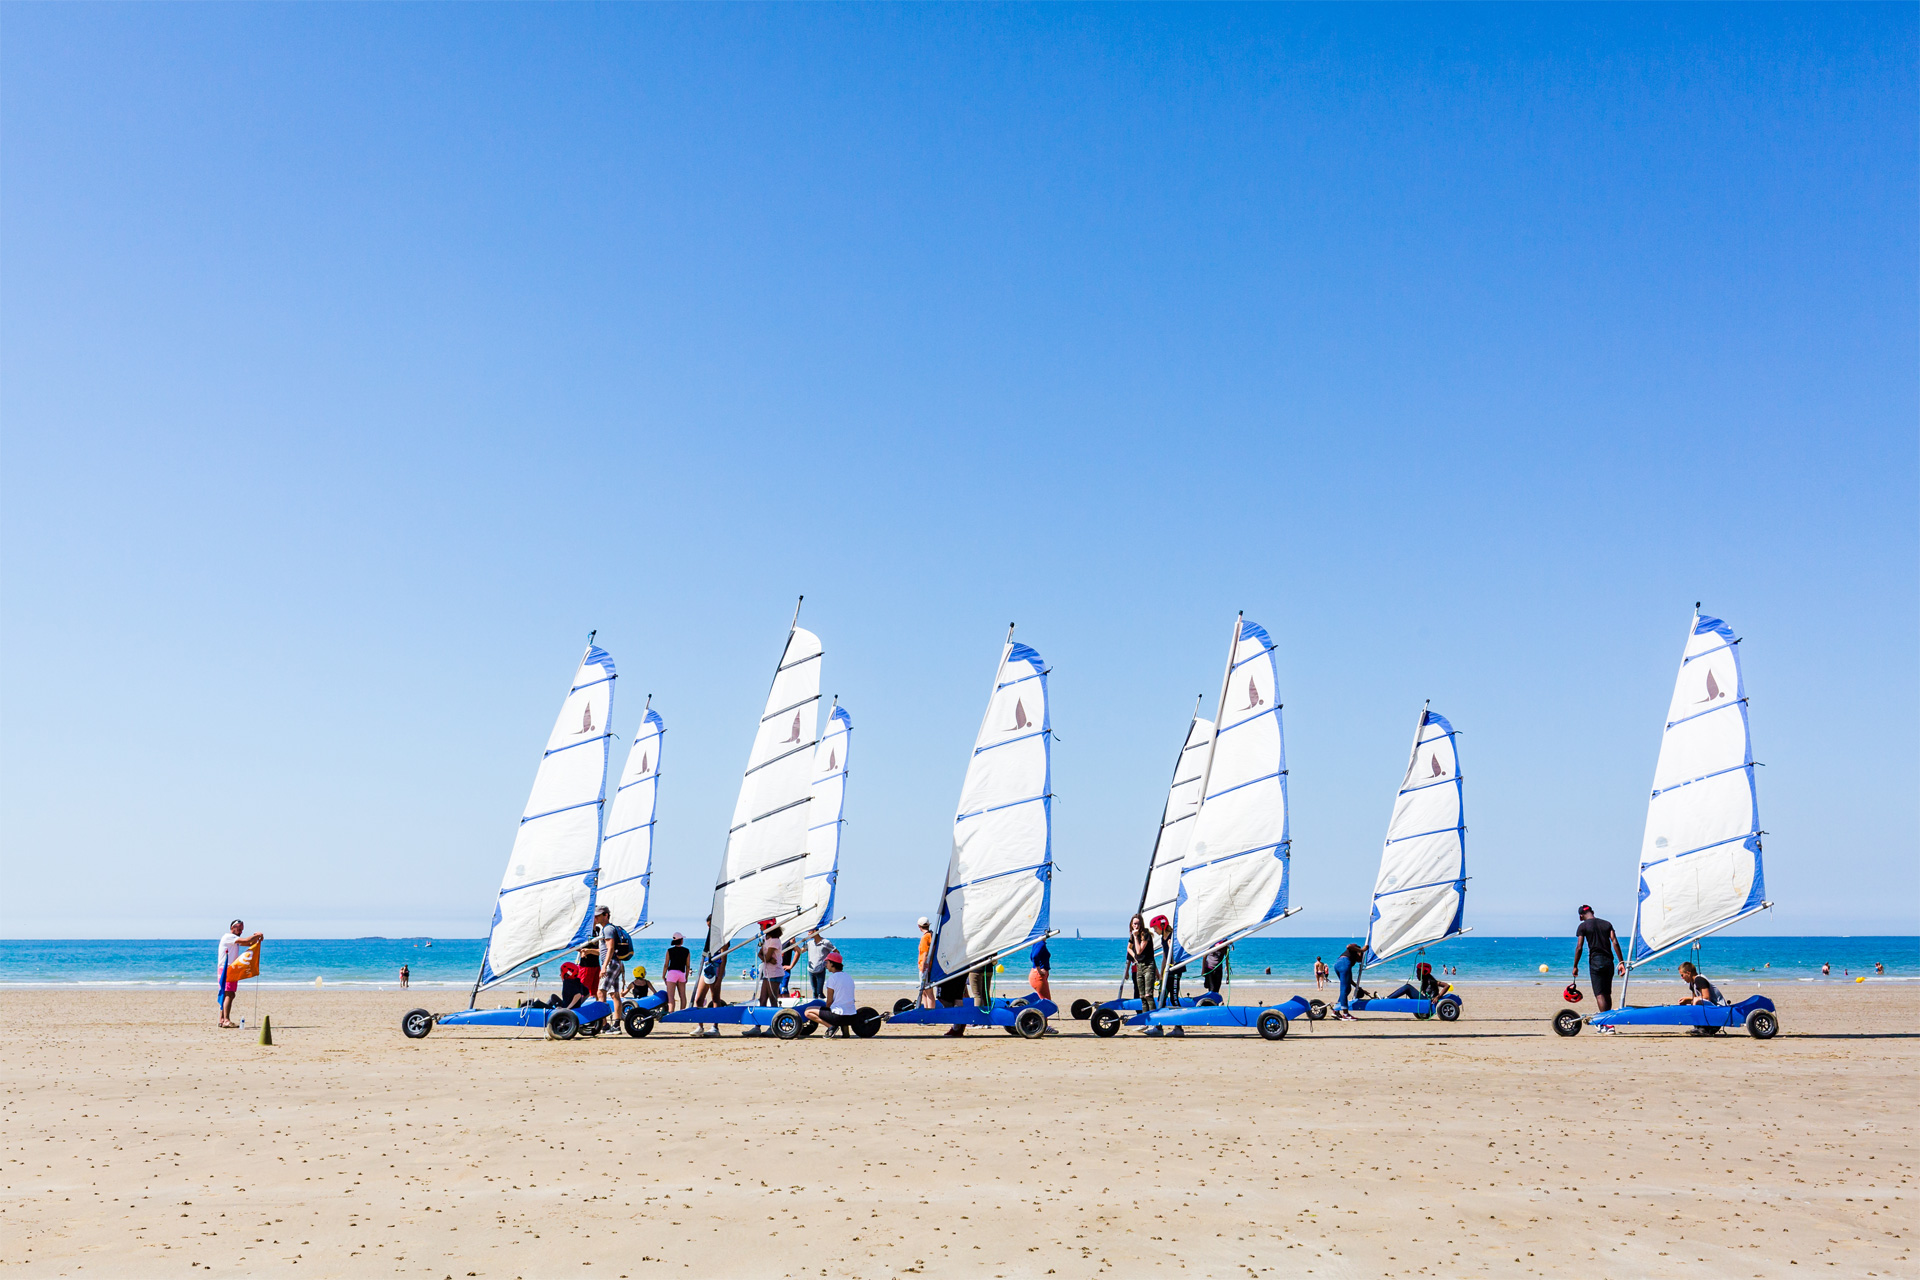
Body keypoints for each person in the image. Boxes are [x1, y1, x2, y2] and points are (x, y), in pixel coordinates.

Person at [1572, 905, 1625, 1022]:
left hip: (1596, 961)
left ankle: (1605, 1024)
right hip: (1609, 961)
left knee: (1600, 994)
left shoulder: (1583, 926)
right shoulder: (1607, 924)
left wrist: (1575, 966)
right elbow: (1614, 942)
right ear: (1593, 912)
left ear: (1581, 916)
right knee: (1607, 993)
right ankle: (1609, 1022)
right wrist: (1621, 962)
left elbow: (1579, 947)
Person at [216, 920, 264, 1028]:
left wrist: (257, 940)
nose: (241, 930)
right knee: (229, 994)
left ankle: (221, 1019)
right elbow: (247, 940)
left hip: (229, 969)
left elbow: (248, 943)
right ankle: (226, 1020)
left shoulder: (234, 940)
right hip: (227, 969)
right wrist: (257, 935)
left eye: (242, 929)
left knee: (226, 994)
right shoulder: (229, 937)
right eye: (239, 928)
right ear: (233, 927)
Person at [592, 906, 632, 1024]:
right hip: (615, 963)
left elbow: (610, 948)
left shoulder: (608, 929)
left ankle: (604, 1025)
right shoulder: (606, 929)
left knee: (600, 992)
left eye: (598, 915)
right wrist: (588, 951)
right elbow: (604, 950)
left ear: (606, 915)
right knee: (614, 994)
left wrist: (604, 966)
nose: (596, 917)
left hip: (611, 963)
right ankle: (616, 1024)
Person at [805, 952, 860, 1037]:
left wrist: (826, 1012)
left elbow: (829, 1002)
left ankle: (831, 1027)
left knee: (808, 1011)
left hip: (838, 1016)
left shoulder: (833, 978)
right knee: (840, 1006)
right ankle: (845, 1030)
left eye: (827, 962)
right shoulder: (848, 977)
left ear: (832, 963)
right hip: (851, 1015)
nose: (826, 965)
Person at [1127, 915, 1157, 1005]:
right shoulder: (1133, 936)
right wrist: (1134, 956)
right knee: (1142, 996)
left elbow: (1139, 950)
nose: (1137, 926)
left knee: (1148, 995)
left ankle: (1152, 1014)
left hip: (1148, 965)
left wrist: (1136, 937)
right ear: (1132, 925)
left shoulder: (1145, 934)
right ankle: (1143, 1015)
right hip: (1139, 965)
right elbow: (1129, 948)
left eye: (1138, 924)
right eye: (1135, 924)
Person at [1332, 944, 1362, 1020]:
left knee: (1347, 988)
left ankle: (1336, 1010)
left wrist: (1358, 988)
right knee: (1344, 989)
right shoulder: (1356, 949)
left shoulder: (1351, 959)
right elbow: (1348, 946)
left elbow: (1350, 980)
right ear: (1359, 953)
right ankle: (1345, 1014)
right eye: (1361, 957)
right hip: (1343, 964)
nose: (1361, 960)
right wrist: (1363, 950)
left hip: (1337, 964)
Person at [663, 932, 691, 1011]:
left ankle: (671, 1012)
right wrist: (686, 976)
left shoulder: (669, 951)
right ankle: (682, 1012)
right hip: (681, 973)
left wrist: (663, 975)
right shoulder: (686, 951)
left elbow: (666, 964)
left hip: (672, 973)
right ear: (681, 940)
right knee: (682, 995)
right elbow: (688, 966)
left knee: (671, 997)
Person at [805, 928, 833, 1000]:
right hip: (811, 970)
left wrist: (829, 963)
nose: (808, 934)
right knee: (814, 992)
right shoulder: (809, 943)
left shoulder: (826, 942)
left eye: (809, 932)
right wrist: (793, 943)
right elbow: (800, 951)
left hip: (821, 969)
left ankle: (824, 1005)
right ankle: (816, 1005)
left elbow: (836, 952)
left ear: (815, 931)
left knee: (819, 992)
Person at [916, 917, 937, 1008]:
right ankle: (926, 1010)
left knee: (928, 992)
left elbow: (925, 952)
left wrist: (924, 965)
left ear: (919, 927)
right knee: (924, 991)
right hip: (929, 966)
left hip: (925, 967)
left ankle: (930, 1013)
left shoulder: (925, 937)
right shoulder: (932, 935)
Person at [1029, 938, 1052, 1003]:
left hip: (1035, 974)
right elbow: (1034, 956)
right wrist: (1039, 970)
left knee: (1043, 1001)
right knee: (1047, 1002)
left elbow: (1031, 957)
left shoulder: (1036, 942)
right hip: (1038, 976)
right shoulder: (1040, 943)